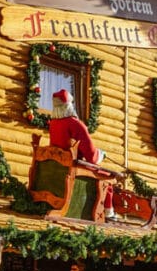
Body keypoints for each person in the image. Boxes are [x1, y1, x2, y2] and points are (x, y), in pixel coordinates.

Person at [48, 89, 115, 219]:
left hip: (57, 165)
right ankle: (108, 212)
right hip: (72, 167)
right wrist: (101, 154)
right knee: (108, 178)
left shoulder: (53, 124)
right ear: (69, 105)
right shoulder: (75, 124)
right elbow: (91, 156)